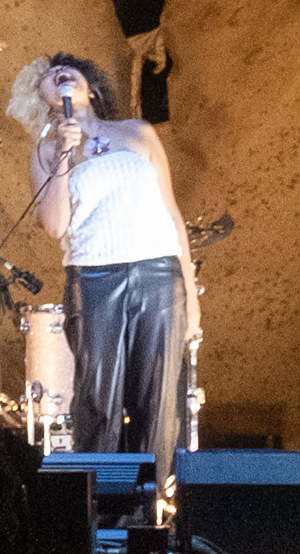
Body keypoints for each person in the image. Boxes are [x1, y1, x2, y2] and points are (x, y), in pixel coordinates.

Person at [14, 51, 200, 458]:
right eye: (50, 75)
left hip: (158, 272)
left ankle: (156, 493)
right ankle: (103, 491)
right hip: (95, 277)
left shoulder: (138, 132)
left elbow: (172, 213)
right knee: (99, 399)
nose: (59, 74)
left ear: (92, 87)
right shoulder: (46, 153)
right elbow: (55, 225)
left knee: (159, 400)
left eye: (68, 70)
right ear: (44, 100)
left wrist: (191, 295)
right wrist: (64, 155)